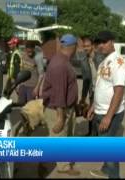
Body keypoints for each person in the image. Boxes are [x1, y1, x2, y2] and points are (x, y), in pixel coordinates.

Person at [87, 31, 125, 179]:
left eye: (104, 42)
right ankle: (105, 170)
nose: (101, 46)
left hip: (110, 113)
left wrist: (108, 117)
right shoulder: (104, 61)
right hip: (100, 110)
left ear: (112, 42)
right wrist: (93, 107)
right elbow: (100, 86)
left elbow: (119, 91)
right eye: (98, 43)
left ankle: (113, 175)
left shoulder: (119, 63)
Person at [41, 34, 80, 175]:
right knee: (58, 137)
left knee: (63, 137)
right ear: (73, 47)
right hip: (58, 109)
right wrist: (60, 117)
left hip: (65, 107)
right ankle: (60, 166)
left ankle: (56, 162)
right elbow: (58, 94)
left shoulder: (62, 60)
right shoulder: (60, 64)